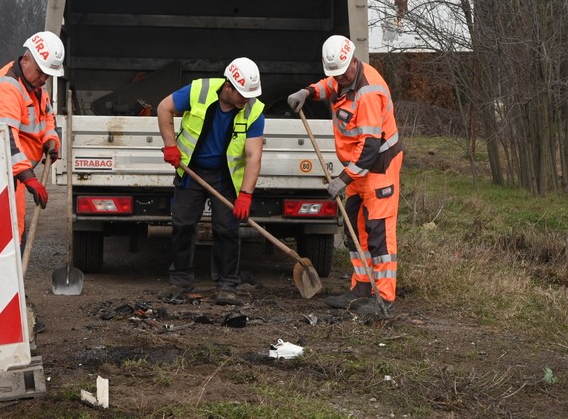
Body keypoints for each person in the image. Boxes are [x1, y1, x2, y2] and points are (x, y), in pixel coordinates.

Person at [287, 35, 403, 316]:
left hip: (379, 168)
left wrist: (344, 178)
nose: (339, 78)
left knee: (379, 234)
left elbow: (370, 146)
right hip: (357, 169)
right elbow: (329, 86)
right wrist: (309, 92)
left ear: (354, 60)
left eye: (343, 72)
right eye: (335, 74)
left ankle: (384, 298)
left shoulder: (369, 93)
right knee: (356, 229)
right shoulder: (342, 78)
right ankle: (361, 288)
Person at [157, 57, 265, 306]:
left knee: (226, 230)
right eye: (242, 95)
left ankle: (227, 284)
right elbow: (164, 108)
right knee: (182, 224)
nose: (246, 101)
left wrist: (246, 194)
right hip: (191, 169)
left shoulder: (254, 109)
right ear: (228, 86)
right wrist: (170, 146)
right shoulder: (199, 90)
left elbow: (253, 155)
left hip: (225, 176)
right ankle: (181, 281)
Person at [0, 31, 64, 252]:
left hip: (17, 170)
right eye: (41, 73)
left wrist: (51, 141)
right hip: (3, 172)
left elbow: (47, 116)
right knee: (11, 233)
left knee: (16, 229)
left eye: (48, 75)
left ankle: (14, 277)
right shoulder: (8, 88)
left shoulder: (33, 82)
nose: (44, 79)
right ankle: (10, 280)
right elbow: (7, 137)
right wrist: (29, 178)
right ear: (26, 59)